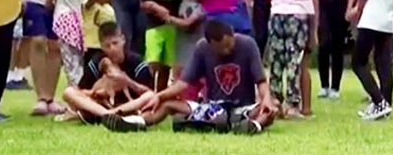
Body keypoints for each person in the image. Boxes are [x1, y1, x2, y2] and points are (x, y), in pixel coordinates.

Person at [102, 20, 278, 134]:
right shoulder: (202, 48)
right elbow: (183, 83)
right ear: (211, 44)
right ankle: (134, 122)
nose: (226, 50)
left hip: (243, 107)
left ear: (233, 35)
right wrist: (159, 96)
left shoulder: (247, 44)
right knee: (167, 104)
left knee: (271, 108)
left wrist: (266, 100)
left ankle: (253, 126)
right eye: (221, 48)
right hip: (213, 107)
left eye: (229, 45)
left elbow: (261, 80)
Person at [265, 0, 317, 119]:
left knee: (276, 60)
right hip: (299, 13)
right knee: (294, 60)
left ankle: (275, 100)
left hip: (278, 12)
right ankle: (293, 104)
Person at [62, 23, 155, 126]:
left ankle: (111, 114)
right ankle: (108, 114)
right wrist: (96, 93)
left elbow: (150, 92)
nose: (112, 49)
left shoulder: (137, 63)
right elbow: (81, 90)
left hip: (129, 105)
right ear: (101, 46)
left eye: (115, 43)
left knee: (150, 96)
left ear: (123, 40)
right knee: (69, 92)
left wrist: (127, 81)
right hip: (102, 105)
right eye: (107, 46)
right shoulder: (96, 63)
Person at [167, 0, 206, 100]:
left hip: (200, 58)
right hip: (182, 57)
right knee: (186, 97)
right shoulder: (178, 0)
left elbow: (187, 24)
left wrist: (167, 17)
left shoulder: (205, 2)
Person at [82, 0, 116, 66]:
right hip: (91, 46)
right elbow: (91, 0)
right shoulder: (90, 6)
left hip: (105, 46)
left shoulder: (110, 9)